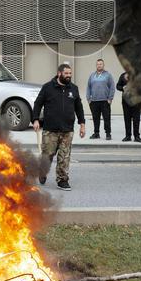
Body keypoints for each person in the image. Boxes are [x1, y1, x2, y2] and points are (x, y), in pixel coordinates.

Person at [33, 63, 86, 191]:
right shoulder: (47, 87)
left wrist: (82, 124)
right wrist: (35, 119)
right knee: (48, 155)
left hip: (67, 129)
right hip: (51, 129)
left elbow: (79, 107)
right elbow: (38, 103)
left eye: (70, 73)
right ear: (59, 73)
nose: (69, 76)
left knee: (64, 156)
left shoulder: (74, 89)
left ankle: (62, 180)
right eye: (66, 73)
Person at [85, 58, 114, 140]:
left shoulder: (108, 75)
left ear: (103, 65)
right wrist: (88, 98)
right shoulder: (92, 75)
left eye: (100, 64)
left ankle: (108, 133)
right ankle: (96, 133)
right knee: (95, 118)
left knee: (106, 118)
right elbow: (88, 87)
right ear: (96, 65)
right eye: (98, 64)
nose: (99, 65)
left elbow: (112, 87)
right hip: (94, 101)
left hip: (105, 101)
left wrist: (110, 98)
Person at [117, 71, 141, 142]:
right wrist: (122, 88)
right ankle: (128, 136)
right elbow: (118, 86)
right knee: (127, 118)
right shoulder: (123, 75)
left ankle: (137, 136)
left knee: (136, 119)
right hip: (126, 101)